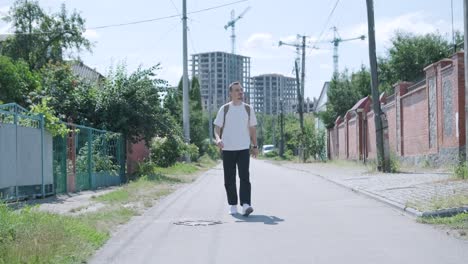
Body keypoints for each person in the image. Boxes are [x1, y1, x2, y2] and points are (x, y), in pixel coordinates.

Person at [213, 81, 258, 217]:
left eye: (241, 90)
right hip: (227, 149)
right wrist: (218, 139)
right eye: (237, 90)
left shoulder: (248, 109)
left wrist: (255, 146)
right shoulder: (225, 109)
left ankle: (246, 204)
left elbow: (252, 129)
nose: (240, 93)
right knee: (229, 179)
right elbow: (217, 128)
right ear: (230, 93)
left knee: (245, 177)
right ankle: (233, 204)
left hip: (243, 148)